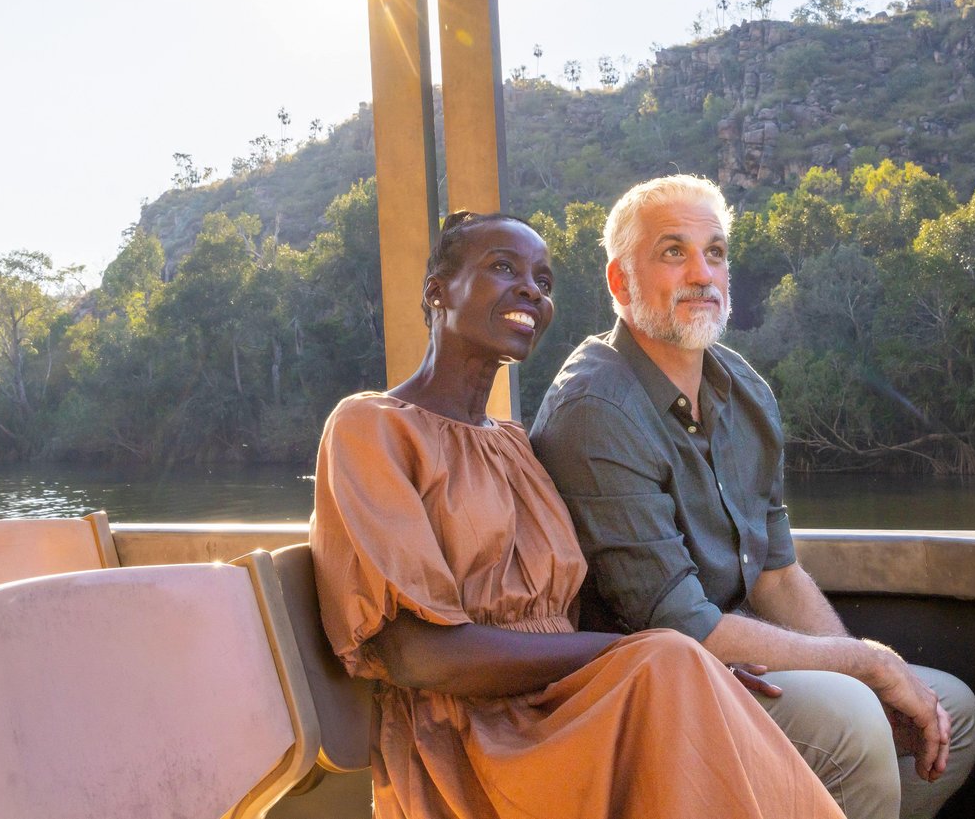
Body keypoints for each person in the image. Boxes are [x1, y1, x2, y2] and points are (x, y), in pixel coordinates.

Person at [309, 210, 842, 819]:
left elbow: (576, 616)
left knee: (693, 684)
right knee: (678, 669)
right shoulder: (370, 429)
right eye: (504, 268)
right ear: (436, 291)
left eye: (544, 279)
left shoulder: (515, 446)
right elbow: (416, 654)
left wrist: (678, 662)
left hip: (565, 705)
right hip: (473, 738)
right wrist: (645, 655)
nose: (531, 290)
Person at [530, 176, 975, 819]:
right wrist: (864, 666)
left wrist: (865, 673)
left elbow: (777, 575)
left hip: (734, 666)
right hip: (647, 690)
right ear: (620, 282)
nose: (701, 273)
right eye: (672, 252)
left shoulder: (743, 389)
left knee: (950, 712)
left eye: (714, 252)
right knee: (854, 724)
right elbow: (679, 625)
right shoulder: (595, 410)